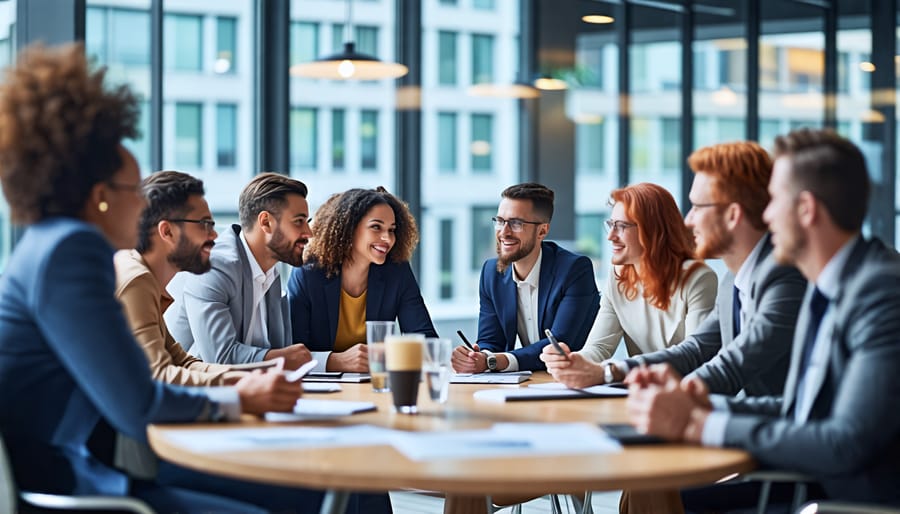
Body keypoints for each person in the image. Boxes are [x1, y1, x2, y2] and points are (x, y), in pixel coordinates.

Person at [0, 42, 304, 513]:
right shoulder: (70, 253)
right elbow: (137, 404)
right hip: (69, 488)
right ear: (101, 196)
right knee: (294, 497)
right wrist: (239, 396)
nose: (143, 207)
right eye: (132, 191)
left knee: (300, 493)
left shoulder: (50, 245)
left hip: (74, 472)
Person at [627, 128, 900, 509]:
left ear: (806, 210)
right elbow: (799, 409)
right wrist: (701, 408)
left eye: (774, 200)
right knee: (651, 488)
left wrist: (703, 425)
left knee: (659, 492)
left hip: (842, 498)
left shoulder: (881, 291)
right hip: (809, 481)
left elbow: (845, 443)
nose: (766, 215)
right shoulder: (830, 285)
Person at [544, 144, 806, 397]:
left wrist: (661, 396)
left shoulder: (782, 276)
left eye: (698, 207)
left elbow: (729, 366)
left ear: (733, 215)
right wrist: (609, 371)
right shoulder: (733, 281)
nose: (689, 220)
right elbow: (697, 349)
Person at [541, 182, 717, 383]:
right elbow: (598, 348)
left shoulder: (698, 278)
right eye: (611, 224)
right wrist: (573, 362)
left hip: (684, 395)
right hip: (639, 390)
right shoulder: (618, 275)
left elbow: (696, 356)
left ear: (653, 230)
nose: (610, 236)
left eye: (621, 226)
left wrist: (612, 370)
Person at [166, 172, 313, 370]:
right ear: (266, 222)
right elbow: (219, 357)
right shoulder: (213, 266)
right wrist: (282, 359)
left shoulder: (271, 273)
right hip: (194, 392)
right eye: (298, 221)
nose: (308, 233)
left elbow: (284, 350)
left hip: (248, 391)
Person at [451, 182, 600, 373]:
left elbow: (559, 343)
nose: (503, 232)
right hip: (525, 384)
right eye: (500, 221)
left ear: (542, 231)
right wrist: (478, 357)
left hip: (571, 381)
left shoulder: (574, 270)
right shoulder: (492, 272)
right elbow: (491, 340)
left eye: (516, 223)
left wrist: (496, 361)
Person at [288, 187, 437, 372]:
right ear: (348, 229)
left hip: (374, 385)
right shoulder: (308, 273)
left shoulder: (397, 271)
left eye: (391, 230)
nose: (387, 238)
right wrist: (335, 361)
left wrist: (386, 357)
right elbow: (292, 352)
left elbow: (426, 340)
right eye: (376, 227)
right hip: (321, 392)